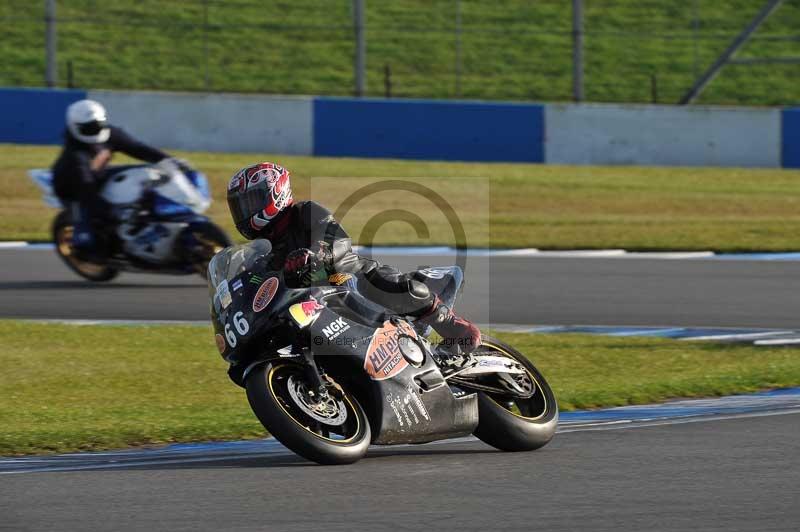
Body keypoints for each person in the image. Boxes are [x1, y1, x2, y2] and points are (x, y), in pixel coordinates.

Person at [226, 162, 482, 354]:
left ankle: (445, 320)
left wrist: (314, 255)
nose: (245, 211)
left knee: (360, 278)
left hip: (338, 276)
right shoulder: (263, 249)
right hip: (309, 306)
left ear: (275, 193)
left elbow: (337, 241)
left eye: (250, 202)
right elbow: (255, 282)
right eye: (240, 205)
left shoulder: (304, 212)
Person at [51, 99, 178, 258]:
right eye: (89, 128)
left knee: (145, 174)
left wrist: (169, 161)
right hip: (72, 188)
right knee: (93, 236)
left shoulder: (110, 134)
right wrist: (112, 212)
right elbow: (87, 192)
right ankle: (93, 250)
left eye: (98, 125)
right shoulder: (75, 156)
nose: (95, 131)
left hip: (99, 175)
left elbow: (138, 148)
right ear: (76, 127)